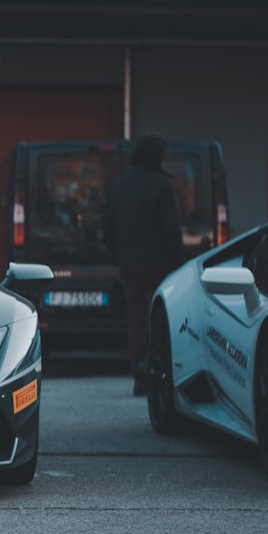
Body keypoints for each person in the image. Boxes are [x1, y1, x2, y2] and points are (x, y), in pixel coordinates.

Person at [102, 134, 184, 396]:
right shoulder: (163, 186)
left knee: (136, 320)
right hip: (159, 263)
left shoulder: (117, 186)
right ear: (158, 157)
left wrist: (117, 257)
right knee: (162, 318)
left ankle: (140, 379)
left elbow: (107, 229)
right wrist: (179, 263)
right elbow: (171, 230)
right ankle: (162, 375)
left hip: (129, 262)